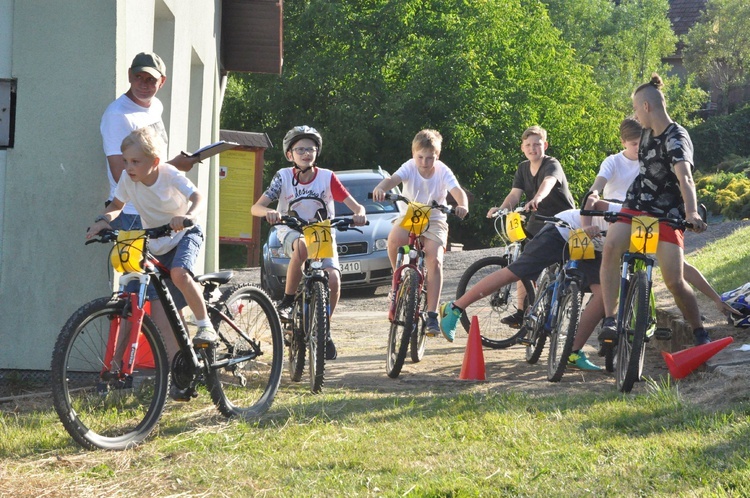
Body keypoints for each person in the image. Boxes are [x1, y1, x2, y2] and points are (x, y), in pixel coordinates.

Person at [86, 127, 216, 371]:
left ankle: (204, 325)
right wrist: (103, 220)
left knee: (179, 274)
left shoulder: (169, 174)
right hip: (156, 241)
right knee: (157, 307)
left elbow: (197, 196)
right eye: (125, 161)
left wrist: (187, 216)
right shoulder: (128, 179)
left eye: (135, 161)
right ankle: (178, 370)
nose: (128, 167)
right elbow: (117, 204)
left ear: (155, 162)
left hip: (184, 234)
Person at [599, 73, 711, 348]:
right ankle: (610, 319)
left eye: (637, 109)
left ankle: (699, 331)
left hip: (668, 212)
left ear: (647, 107)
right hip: (637, 202)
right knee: (612, 246)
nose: (635, 116)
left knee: (674, 280)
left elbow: (685, 178)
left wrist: (692, 213)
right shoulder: (646, 132)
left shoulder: (677, 139)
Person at [251, 126, 367, 360]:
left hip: (321, 231)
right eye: (300, 149)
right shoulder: (283, 176)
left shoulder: (327, 177)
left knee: (333, 278)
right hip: (291, 229)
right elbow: (256, 207)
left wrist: (360, 213)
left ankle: (323, 328)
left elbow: (357, 206)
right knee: (302, 246)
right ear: (289, 154)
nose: (306, 153)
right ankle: (288, 299)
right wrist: (269, 213)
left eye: (311, 149)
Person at [372, 129, 469, 336]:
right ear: (413, 154)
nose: (424, 162)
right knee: (394, 240)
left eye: (430, 158)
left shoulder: (442, 170)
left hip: (434, 218)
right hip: (411, 215)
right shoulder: (409, 166)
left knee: (434, 259)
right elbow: (392, 180)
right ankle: (396, 280)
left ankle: (432, 313)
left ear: (437, 156)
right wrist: (381, 187)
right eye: (420, 157)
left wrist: (463, 205)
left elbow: (457, 190)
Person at [487, 125, 576, 327]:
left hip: (560, 221)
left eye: (536, 144)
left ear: (545, 145)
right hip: (538, 220)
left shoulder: (552, 163)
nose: (532, 148)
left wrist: (537, 198)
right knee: (523, 260)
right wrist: (501, 209)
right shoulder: (522, 168)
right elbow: (514, 195)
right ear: (522, 147)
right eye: (528, 145)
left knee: (556, 269)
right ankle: (522, 311)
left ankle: (555, 304)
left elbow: (548, 183)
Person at [100, 52, 199, 230]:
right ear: (129, 75)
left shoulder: (156, 106)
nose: (143, 85)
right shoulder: (117, 115)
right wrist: (175, 166)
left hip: (161, 210)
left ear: (162, 82)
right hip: (132, 213)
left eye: (151, 80)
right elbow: (120, 173)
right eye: (138, 77)